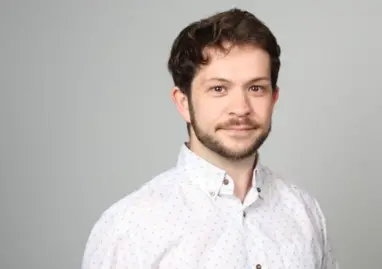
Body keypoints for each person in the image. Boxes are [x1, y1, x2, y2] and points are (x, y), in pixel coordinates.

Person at [81, 8, 339, 269]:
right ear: (183, 103)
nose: (241, 108)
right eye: (219, 89)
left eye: (256, 88)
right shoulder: (129, 228)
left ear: (273, 98)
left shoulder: (304, 213)